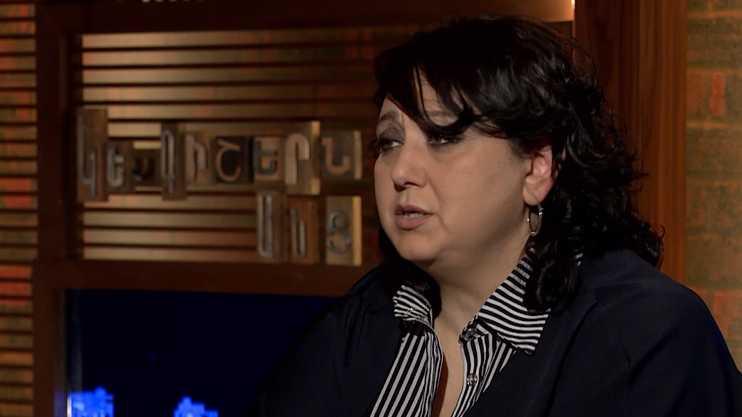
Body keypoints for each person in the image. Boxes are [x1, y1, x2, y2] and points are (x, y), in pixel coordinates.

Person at [246, 15, 742, 417]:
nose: (400, 171)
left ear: (537, 166)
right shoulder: (366, 316)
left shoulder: (646, 337)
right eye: (390, 141)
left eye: (444, 136)